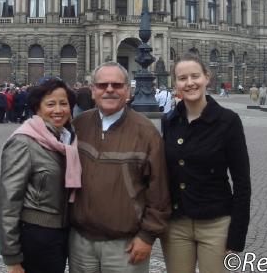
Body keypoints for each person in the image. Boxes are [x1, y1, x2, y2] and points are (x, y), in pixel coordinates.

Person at [69, 61, 171, 273]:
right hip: (81, 242)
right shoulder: (79, 125)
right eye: (102, 85)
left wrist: (147, 236)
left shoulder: (146, 132)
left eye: (117, 85)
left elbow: (159, 192)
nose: (109, 90)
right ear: (93, 90)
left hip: (125, 245)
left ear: (128, 90)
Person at [161, 54, 251, 273]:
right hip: (177, 224)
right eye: (182, 78)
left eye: (195, 76)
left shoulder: (228, 121)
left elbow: (242, 183)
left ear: (207, 78)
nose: (189, 83)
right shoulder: (169, 121)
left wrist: (236, 236)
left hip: (216, 224)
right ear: (176, 84)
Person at [0, 78, 81, 273]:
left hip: (61, 234)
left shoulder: (67, 140)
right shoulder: (23, 142)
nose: (58, 110)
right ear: (37, 108)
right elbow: (8, 202)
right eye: (50, 104)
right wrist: (12, 258)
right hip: (35, 236)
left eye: (63, 103)